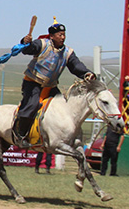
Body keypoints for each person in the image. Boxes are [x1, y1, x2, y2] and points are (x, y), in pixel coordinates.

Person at [14, 20, 95, 148]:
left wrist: (87, 73)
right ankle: (20, 135)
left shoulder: (68, 52)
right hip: (32, 83)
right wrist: (25, 42)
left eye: (64, 34)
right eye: (60, 35)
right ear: (51, 36)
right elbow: (29, 49)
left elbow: (76, 66)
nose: (62, 37)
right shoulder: (42, 44)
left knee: (63, 107)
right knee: (32, 104)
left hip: (50, 86)